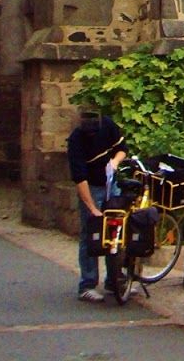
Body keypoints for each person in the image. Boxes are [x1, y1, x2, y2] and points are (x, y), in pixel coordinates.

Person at [66, 104, 124, 302]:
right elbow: (80, 180)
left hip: (110, 184)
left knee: (115, 231)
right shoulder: (76, 140)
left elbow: (122, 149)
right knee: (90, 233)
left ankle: (114, 280)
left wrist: (115, 162)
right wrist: (92, 208)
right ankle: (87, 284)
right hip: (91, 187)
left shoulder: (108, 126)